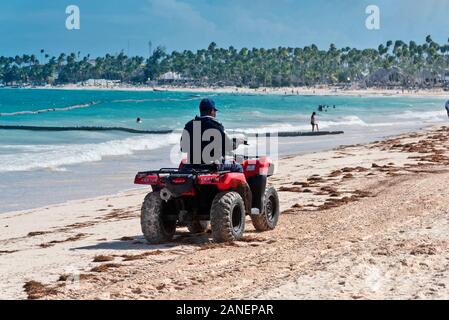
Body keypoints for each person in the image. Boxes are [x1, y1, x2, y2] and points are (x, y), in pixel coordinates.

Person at [181, 98, 243, 172]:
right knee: (238, 167)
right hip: (212, 166)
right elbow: (229, 146)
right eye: (215, 111)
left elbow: (183, 148)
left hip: (192, 166)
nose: (215, 114)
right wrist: (237, 142)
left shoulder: (189, 125)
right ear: (212, 111)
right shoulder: (216, 126)